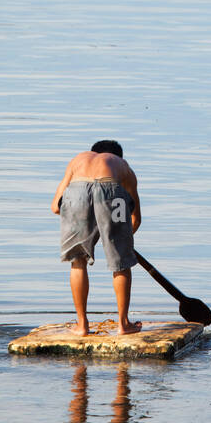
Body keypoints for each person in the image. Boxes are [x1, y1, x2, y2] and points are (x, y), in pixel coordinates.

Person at [51, 141, 142, 337]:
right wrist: (120, 241)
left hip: (77, 194)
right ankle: (124, 324)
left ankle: (82, 325)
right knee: (121, 263)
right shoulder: (123, 167)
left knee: (78, 260)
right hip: (112, 193)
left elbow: (56, 207)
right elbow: (136, 218)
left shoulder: (78, 160)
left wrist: (87, 225)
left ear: (93, 153)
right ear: (119, 156)